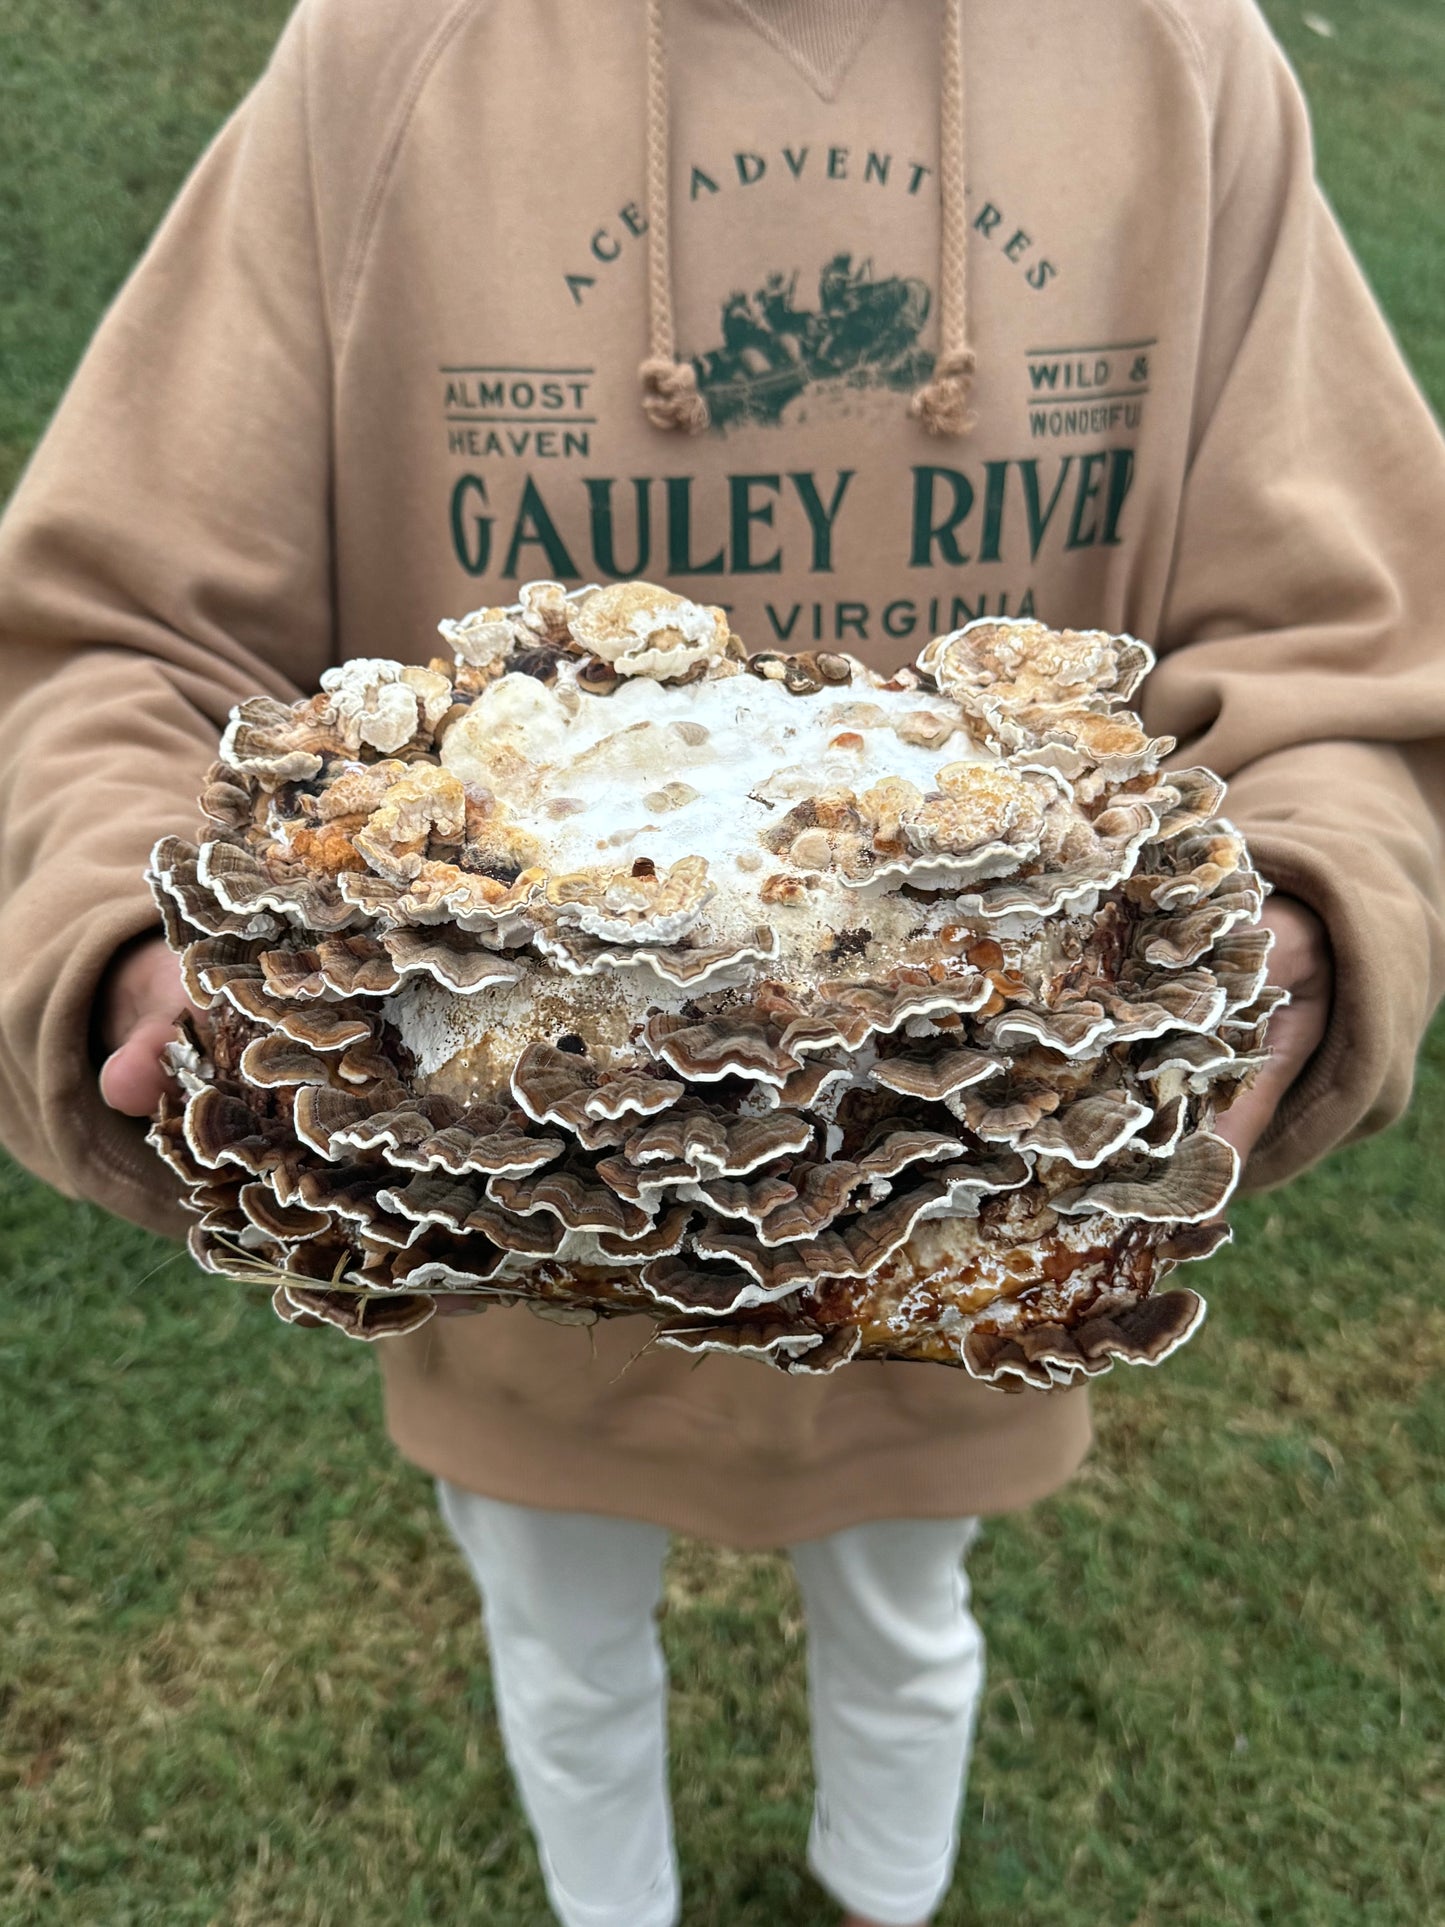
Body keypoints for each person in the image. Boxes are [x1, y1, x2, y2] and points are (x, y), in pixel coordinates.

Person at [1, 1, 1442, 1921]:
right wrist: (126, 922)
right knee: (565, 1644)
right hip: (513, 1226)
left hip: (966, 1233)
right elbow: (105, 629)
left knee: (911, 1618)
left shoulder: (1174, 53)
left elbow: (1353, 644)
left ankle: (883, 1896)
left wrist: (1313, 898)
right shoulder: (385, 56)